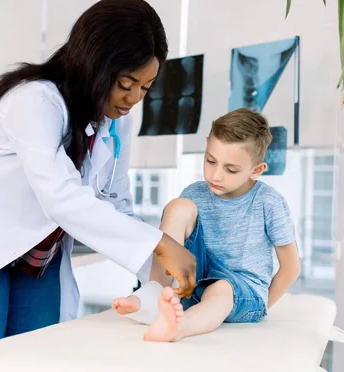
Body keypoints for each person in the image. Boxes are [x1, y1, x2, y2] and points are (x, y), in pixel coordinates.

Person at [0, 0, 196, 371]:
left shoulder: (115, 121)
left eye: (145, 87)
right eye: (127, 83)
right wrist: (160, 244)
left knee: (38, 358)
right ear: (96, 64)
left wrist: (159, 278)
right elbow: (60, 197)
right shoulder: (34, 100)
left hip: (37, 255)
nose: (134, 99)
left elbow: (116, 204)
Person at [112, 108, 301, 342]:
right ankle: (155, 292)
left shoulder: (269, 202)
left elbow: (291, 267)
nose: (216, 175)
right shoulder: (195, 193)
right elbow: (175, 245)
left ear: (256, 170)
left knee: (221, 287)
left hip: (238, 291)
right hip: (194, 284)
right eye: (210, 161)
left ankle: (179, 328)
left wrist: (261, 306)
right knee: (179, 206)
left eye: (230, 169)